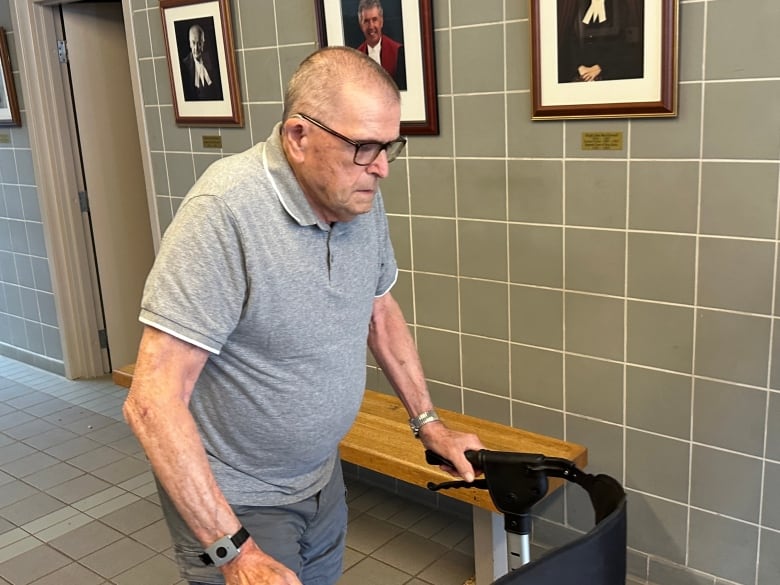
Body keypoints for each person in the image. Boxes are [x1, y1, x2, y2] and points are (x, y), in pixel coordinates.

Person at [123, 46, 483, 585]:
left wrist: (428, 423)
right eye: (364, 147)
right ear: (298, 136)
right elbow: (151, 400)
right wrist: (234, 551)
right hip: (238, 499)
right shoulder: (224, 214)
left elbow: (378, 311)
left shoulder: (357, 194)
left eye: (389, 146)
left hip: (321, 479)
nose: (382, 168)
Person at [557, 0, 644, 83]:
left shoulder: (620, 6)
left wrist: (600, 67)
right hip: (581, 71)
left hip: (610, 70)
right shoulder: (576, 6)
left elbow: (626, 44)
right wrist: (580, 68)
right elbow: (570, 40)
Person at [355, 0, 407, 90]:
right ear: (361, 25)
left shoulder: (398, 52)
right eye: (366, 21)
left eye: (374, 20)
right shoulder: (355, 58)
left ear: (381, 22)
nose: (371, 26)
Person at [180, 23, 223, 101]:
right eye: (193, 43)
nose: (196, 48)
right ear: (189, 43)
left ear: (203, 42)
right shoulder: (184, 65)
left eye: (199, 43)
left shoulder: (214, 61)